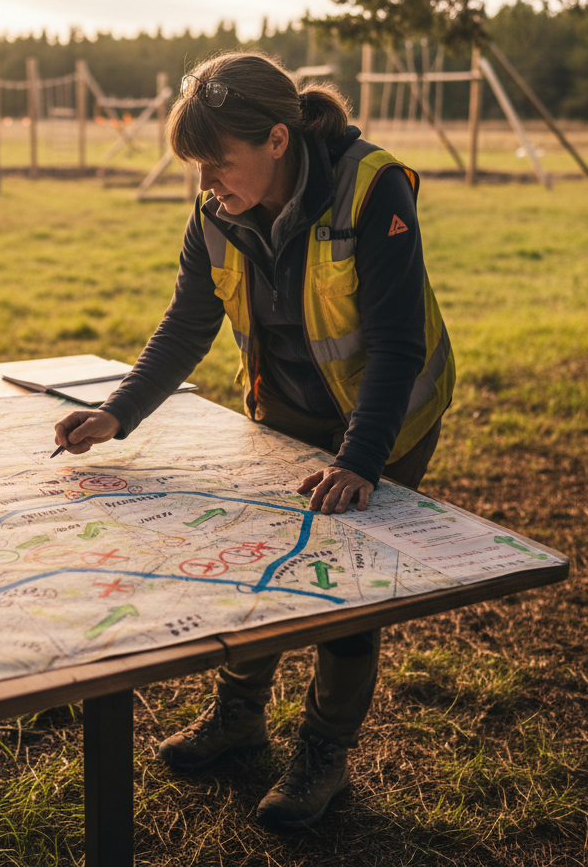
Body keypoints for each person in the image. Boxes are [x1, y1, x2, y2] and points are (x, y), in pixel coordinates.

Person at [53, 50, 455, 831]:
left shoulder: (373, 189)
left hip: (387, 414)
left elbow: (398, 344)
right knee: (258, 559)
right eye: (196, 167)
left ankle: (324, 755)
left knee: (347, 587)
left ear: (277, 140)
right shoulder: (216, 212)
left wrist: (360, 461)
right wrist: (116, 413)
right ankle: (239, 718)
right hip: (287, 409)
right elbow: (187, 324)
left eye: (217, 163)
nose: (205, 183)